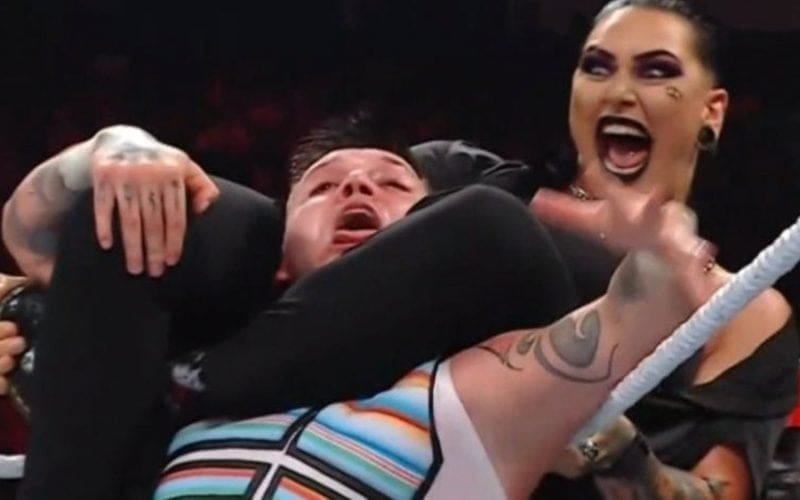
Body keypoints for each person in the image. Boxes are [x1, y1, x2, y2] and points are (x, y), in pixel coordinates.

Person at [1, 110, 723, 499]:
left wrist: (658, 246)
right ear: (278, 258)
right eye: (322, 187)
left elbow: (647, 307)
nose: (354, 189)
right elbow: (37, 240)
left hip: (203, 380)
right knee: (187, 207)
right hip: (170, 406)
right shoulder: (162, 369)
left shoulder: (479, 389)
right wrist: (118, 146)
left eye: (392, 184)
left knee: (492, 223)